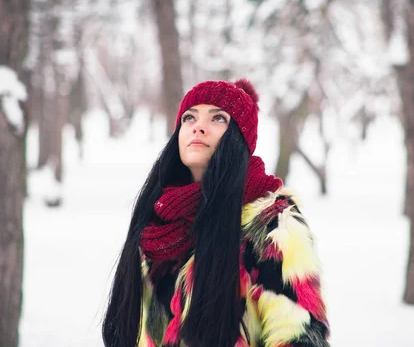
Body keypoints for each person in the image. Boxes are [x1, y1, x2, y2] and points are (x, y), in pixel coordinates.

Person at [102, 79, 329, 347]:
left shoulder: (273, 222)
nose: (198, 126)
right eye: (189, 117)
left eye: (218, 118)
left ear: (239, 137)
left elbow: (299, 336)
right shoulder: (157, 219)